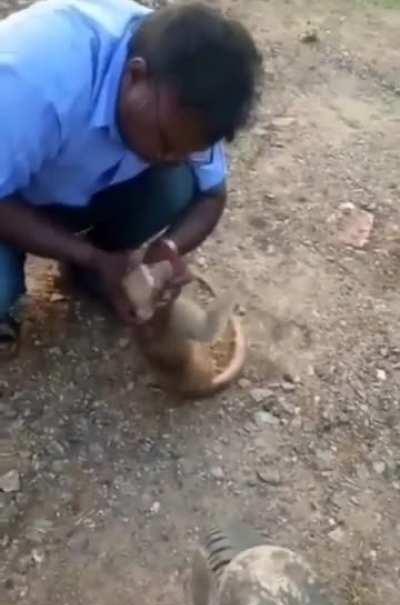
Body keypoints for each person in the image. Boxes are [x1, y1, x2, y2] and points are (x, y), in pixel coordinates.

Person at [0, 0, 262, 355]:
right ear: (135, 75)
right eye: (166, 142)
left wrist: (165, 251)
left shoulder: (186, 96)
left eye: (188, 149)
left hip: (60, 187)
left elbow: (212, 195)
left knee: (178, 184)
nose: (170, 157)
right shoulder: (33, 79)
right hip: (8, 194)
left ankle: (94, 273)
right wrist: (91, 255)